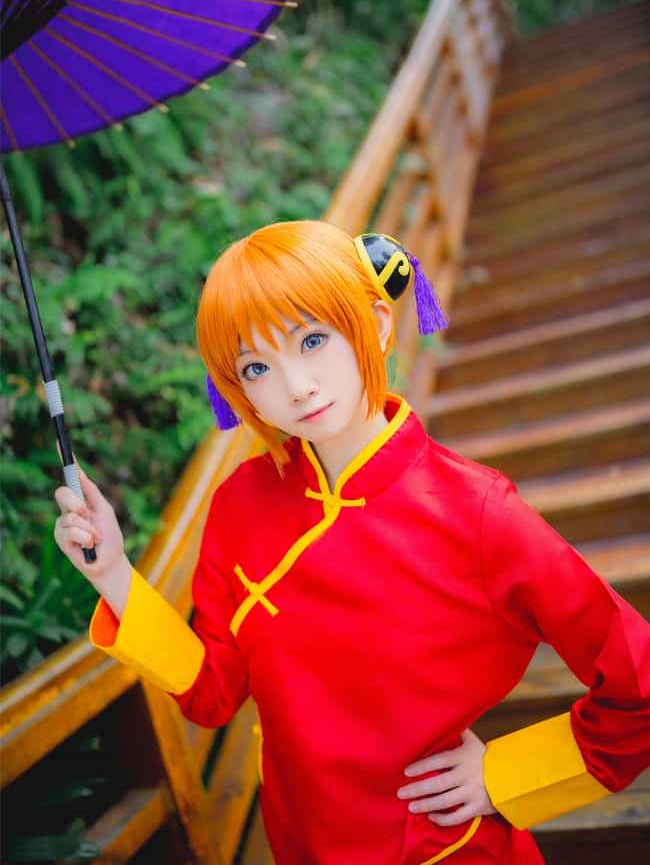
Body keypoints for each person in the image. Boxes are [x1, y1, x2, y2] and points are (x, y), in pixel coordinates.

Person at [54, 219, 650, 865]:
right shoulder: (240, 503)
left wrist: (506, 774)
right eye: (257, 366)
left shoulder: (477, 513)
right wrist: (114, 574)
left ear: (377, 323)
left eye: (312, 339)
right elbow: (214, 692)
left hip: (442, 848)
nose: (296, 385)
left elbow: (638, 683)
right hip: (299, 844)